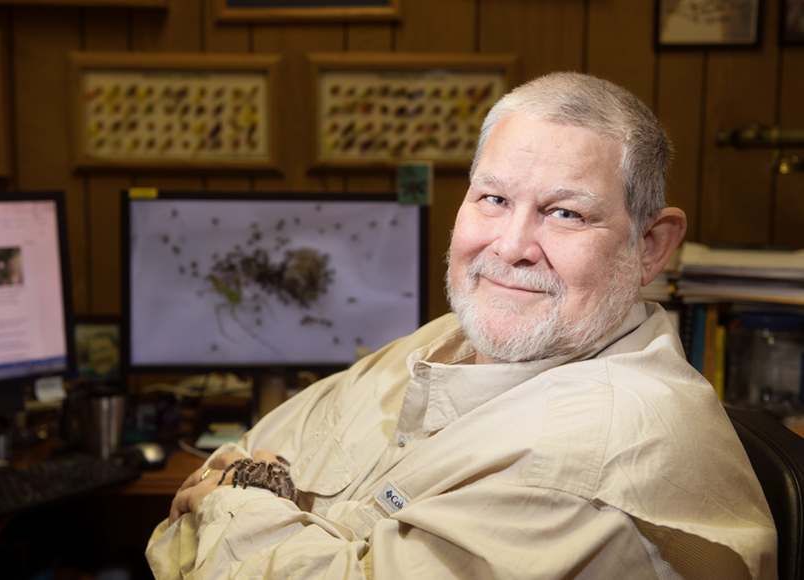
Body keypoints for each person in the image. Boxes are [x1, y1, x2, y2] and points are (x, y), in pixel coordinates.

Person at [146, 72, 777, 579]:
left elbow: (209, 500)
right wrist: (253, 511)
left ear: (650, 247)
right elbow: (211, 475)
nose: (511, 246)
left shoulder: (597, 458)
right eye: (494, 199)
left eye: (564, 212)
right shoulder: (453, 337)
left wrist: (232, 506)